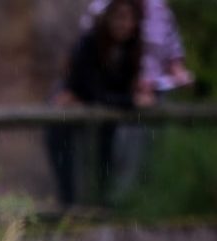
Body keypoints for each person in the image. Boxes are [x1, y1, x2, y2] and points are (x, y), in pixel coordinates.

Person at [46, 0, 147, 208]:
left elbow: (112, 92)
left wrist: (130, 97)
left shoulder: (132, 49)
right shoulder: (90, 43)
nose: (124, 24)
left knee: (105, 159)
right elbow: (92, 91)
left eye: (129, 19)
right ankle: (70, 208)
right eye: (119, 18)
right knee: (67, 160)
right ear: (108, 18)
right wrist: (131, 101)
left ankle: (104, 206)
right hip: (68, 114)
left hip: (103, 118)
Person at [81, 0, 193, 97]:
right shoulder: (102, 8)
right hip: (110, 91)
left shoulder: (160, 9)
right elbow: (89, 48)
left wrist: (179, 73)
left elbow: (173, 51)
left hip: (153, 91)